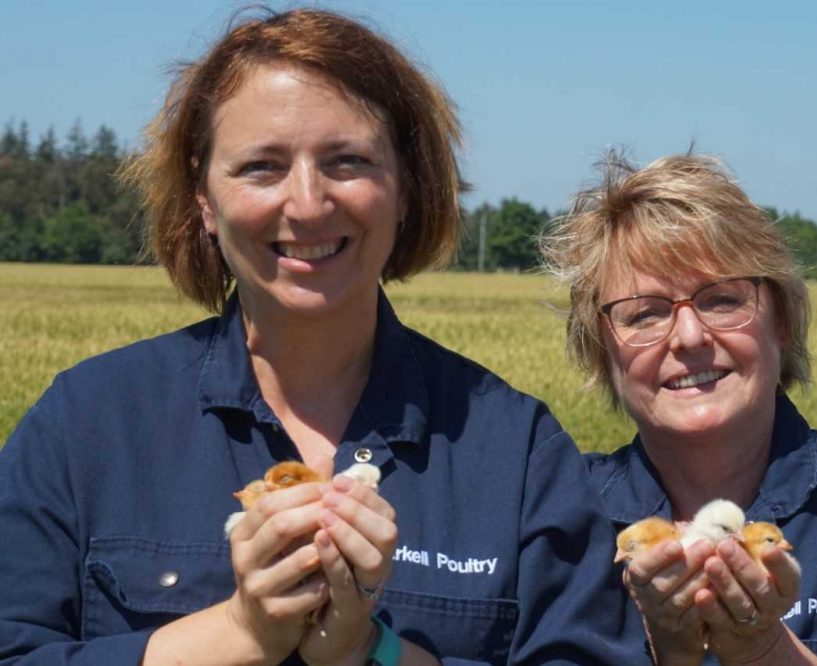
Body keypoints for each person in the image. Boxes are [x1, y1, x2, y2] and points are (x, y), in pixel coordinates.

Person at [0, 9, 633, 665]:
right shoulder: (85, 425)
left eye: (348, 161)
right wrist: (237, 635)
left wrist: (372, 651)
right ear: (204, 201)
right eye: (262, 167)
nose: (306, 203)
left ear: (407, 188)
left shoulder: (516, 454)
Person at [540, 151, 817, 665]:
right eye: (644, 314)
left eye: (722, 301)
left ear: (781, 320)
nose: (690, 336)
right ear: (601, 351)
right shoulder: (554, 523)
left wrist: (762, 649)